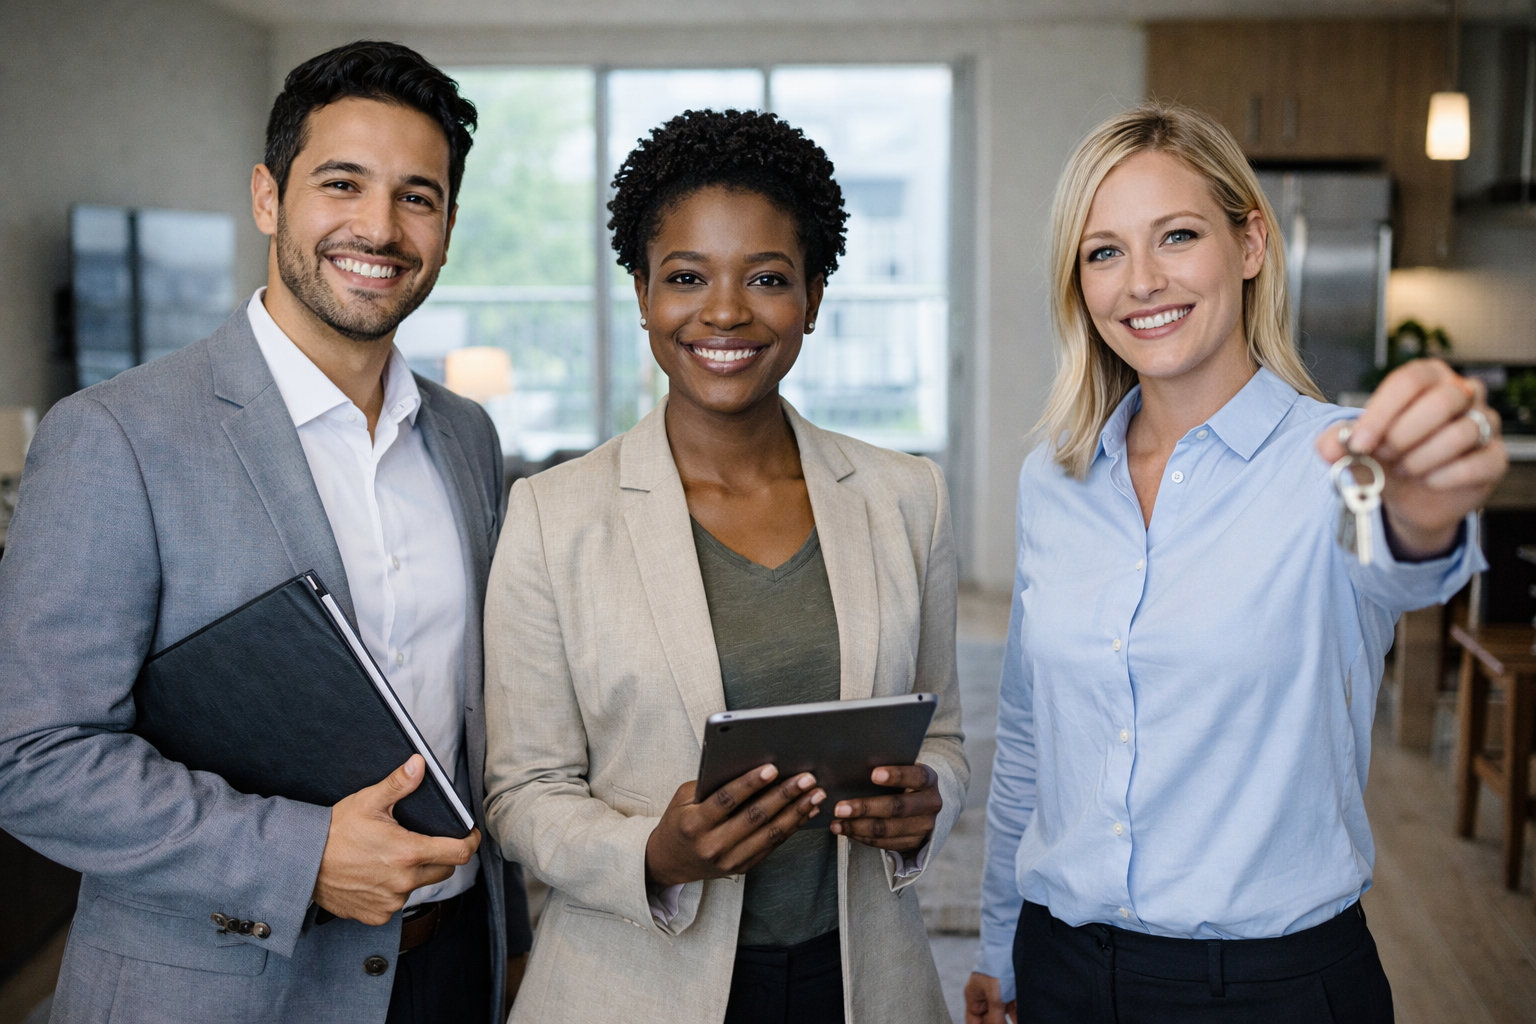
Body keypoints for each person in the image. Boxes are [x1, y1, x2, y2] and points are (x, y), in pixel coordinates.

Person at [0, 41, 532, 1024]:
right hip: (219, 991)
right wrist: (302, 856)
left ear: (449, 228)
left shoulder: (467, 436)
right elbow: (31, 755)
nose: (379, 225)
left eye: (418, 196)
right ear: (267, 196)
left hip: (452, 972)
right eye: (342, 183)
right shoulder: (114, 436)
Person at [965, 102, 1506, 1024]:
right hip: (1059, 969)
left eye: (1176, 236)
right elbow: (1028, 737)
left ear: (1250, 243)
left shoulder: (1340, 463)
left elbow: (1406, 559)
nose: (1141, 282)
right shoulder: (1054, 477)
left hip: (1270, 990)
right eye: (1104, 252)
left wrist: (1422, 510)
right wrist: (998, 942)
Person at [482, 108, 968, 1024]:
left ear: (814, 298)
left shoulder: (908, 498)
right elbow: (522, 791)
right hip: (634, 984)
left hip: (863, 984)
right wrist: (655, 857)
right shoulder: (553, 517)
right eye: (686, 277)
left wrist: (928, 800)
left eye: (769, 278)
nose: (726, 311)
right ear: (641, 292)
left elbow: (939, 733)